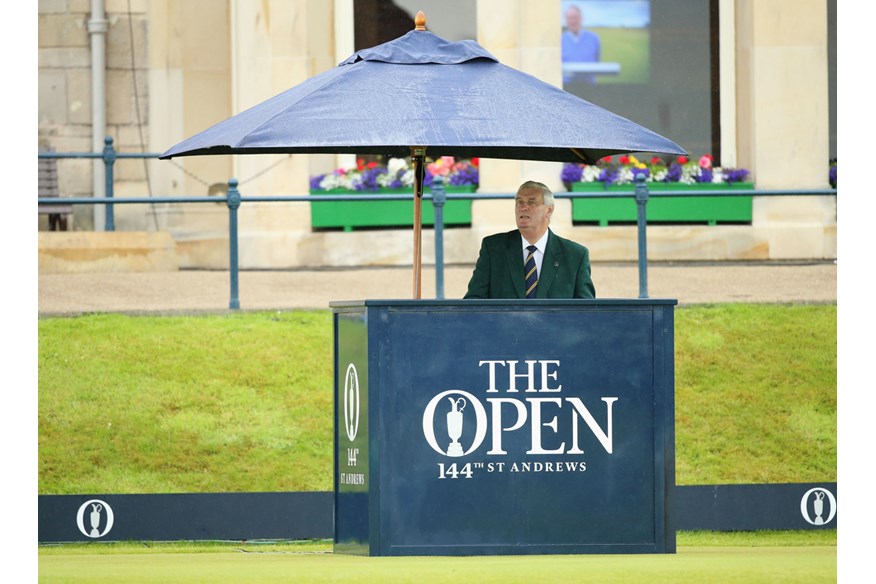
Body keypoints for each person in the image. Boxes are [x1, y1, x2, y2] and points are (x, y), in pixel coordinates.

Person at [464, 181, 596, 299]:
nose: (523, 207)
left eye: (531, 202)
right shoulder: (493, 248)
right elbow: (473, 302)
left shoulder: (575, 255)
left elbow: (586, 312)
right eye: (519, 202)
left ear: (549, 211)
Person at [561, 3, 601, 85]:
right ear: (566, 20)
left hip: (590, 86)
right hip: (566, 88)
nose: (573, 21)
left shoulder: (594, 38)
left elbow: (597, 60)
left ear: (581, 18)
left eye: (575, 17)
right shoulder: (560, 40)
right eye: (569, 18)